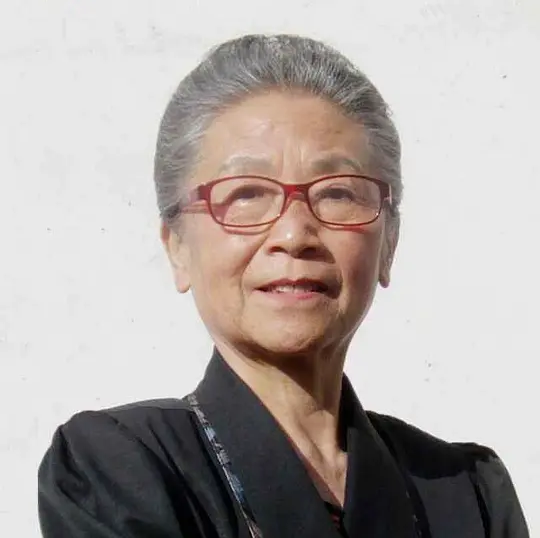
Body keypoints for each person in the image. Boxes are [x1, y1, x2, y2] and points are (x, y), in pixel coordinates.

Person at [38, 34, 529, 538]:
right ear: (178, 247)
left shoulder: (467, 494)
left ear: (388, 244)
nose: (294, 235)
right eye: (246, 193)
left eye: (337, 193)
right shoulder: (123, 468)